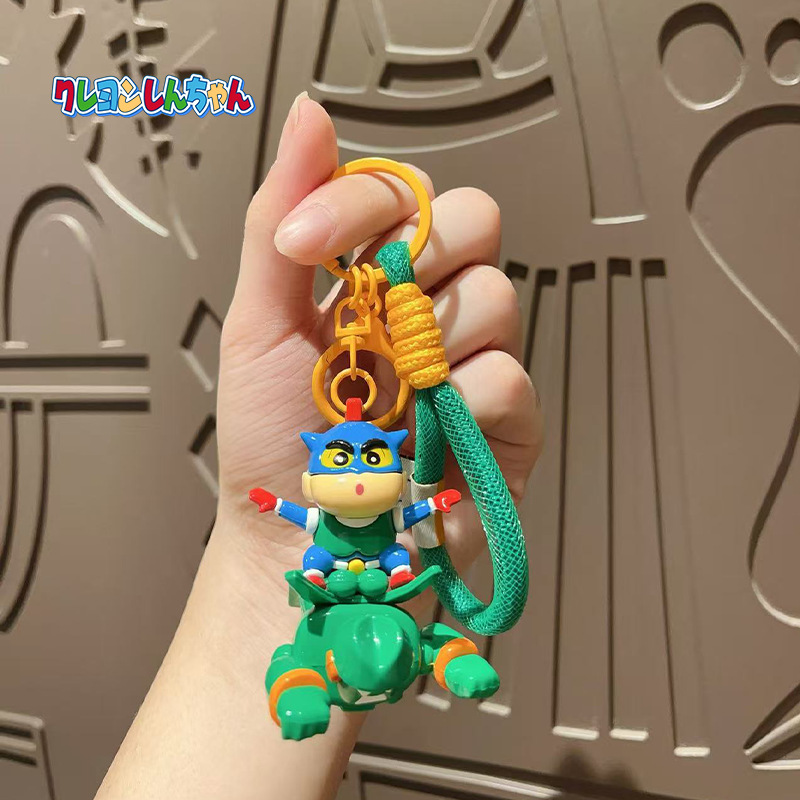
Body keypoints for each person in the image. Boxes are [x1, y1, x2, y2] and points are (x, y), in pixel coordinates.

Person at [95, 93, 543, 800]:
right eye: (342, 460)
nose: (360, 475)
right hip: (335, 607)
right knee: (301, 660)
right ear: (317, 463)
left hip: (391, 598)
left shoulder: (395, 506)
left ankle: (453, 661)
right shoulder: (319, 529)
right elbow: (301, 518)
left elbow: (408, 513)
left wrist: (435, 504)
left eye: (372, 460)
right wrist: (261, 535)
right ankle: (305, 688)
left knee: (435, 644)